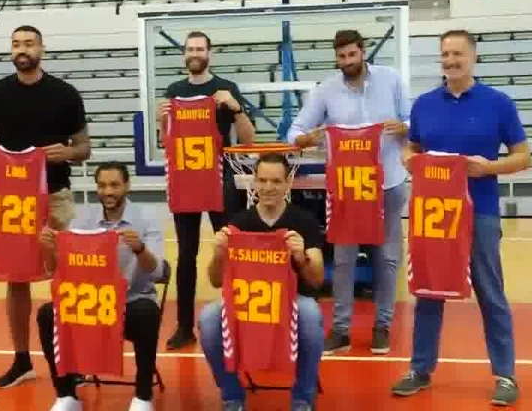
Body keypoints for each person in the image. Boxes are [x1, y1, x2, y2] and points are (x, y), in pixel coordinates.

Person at [390, 29, 530, 406]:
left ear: (473, 57)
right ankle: (420, 369)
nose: (451, 60)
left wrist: (489, 167)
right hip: (433, 214)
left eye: (458, 53)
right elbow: (413, 147)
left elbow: (523, 157)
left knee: (490, 291)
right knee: (428, 291)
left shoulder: (498, 103)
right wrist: (409, 158)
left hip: (480, 211)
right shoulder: (424, 105)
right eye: (446, 54)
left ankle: (505, 374)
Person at [0, 25, 90, 389]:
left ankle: (74, 360)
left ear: (42, 48)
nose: (21, 49)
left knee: (68, 277)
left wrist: (67, 152)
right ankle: (22, 359)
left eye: (28, 43)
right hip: (13, 201)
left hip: (56, 195)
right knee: (16, 279)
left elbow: (84, 148)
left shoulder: (65, 94)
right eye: (16, 44)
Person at [286, 29, 411, 355]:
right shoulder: (326, 90)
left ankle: (382, 326)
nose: (347, 62)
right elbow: (294, 132)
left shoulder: (391, 79)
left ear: (363, 51)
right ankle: (341, 329)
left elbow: (414, 120)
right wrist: (305, 139)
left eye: (352, 55)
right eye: (341, 57)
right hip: (346, 189)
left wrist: (405, 127)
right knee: (343, 259)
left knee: (387, 258)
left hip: (388, 183)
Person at [198, 153, 325, 411]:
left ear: (287, 184)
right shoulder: (238, 223)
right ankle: (232, 397)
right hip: (248, 304)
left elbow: (317, 280)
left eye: (276, 181)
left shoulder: (304, 222)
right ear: (254, 182)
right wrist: (219, 254)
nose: (268, 187)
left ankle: (303, 398)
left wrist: (301, 258)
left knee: (311, 314)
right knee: (208, 319)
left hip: (290, 302)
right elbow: (215, 281)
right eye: (263, 180)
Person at [37, 161, 165, 411]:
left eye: (114, 185)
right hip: (90, 306)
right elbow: (57, 271)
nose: (108, 191)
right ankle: (66, 395)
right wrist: (49, 250)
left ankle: (143, 396)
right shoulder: (83, 220)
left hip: (130, 303)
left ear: (127, 186)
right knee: (46, 314)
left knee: (148, 313)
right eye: (102, 185)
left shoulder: (146, 219)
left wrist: (140, 249)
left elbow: (159, 272)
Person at [156, 30, 255, 350]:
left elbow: (249, 139)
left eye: (200, 49)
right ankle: (185, 326)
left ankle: (237, 318)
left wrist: (236, 108)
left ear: (209, 53)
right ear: (184, 54)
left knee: (229, 248)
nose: (195, 54)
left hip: (219, 176)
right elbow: (165, 142)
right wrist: (161, 122)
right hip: (185, 176)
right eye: (190, 49)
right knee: (186, 254)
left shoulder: (225, 88)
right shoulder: (174, 91)